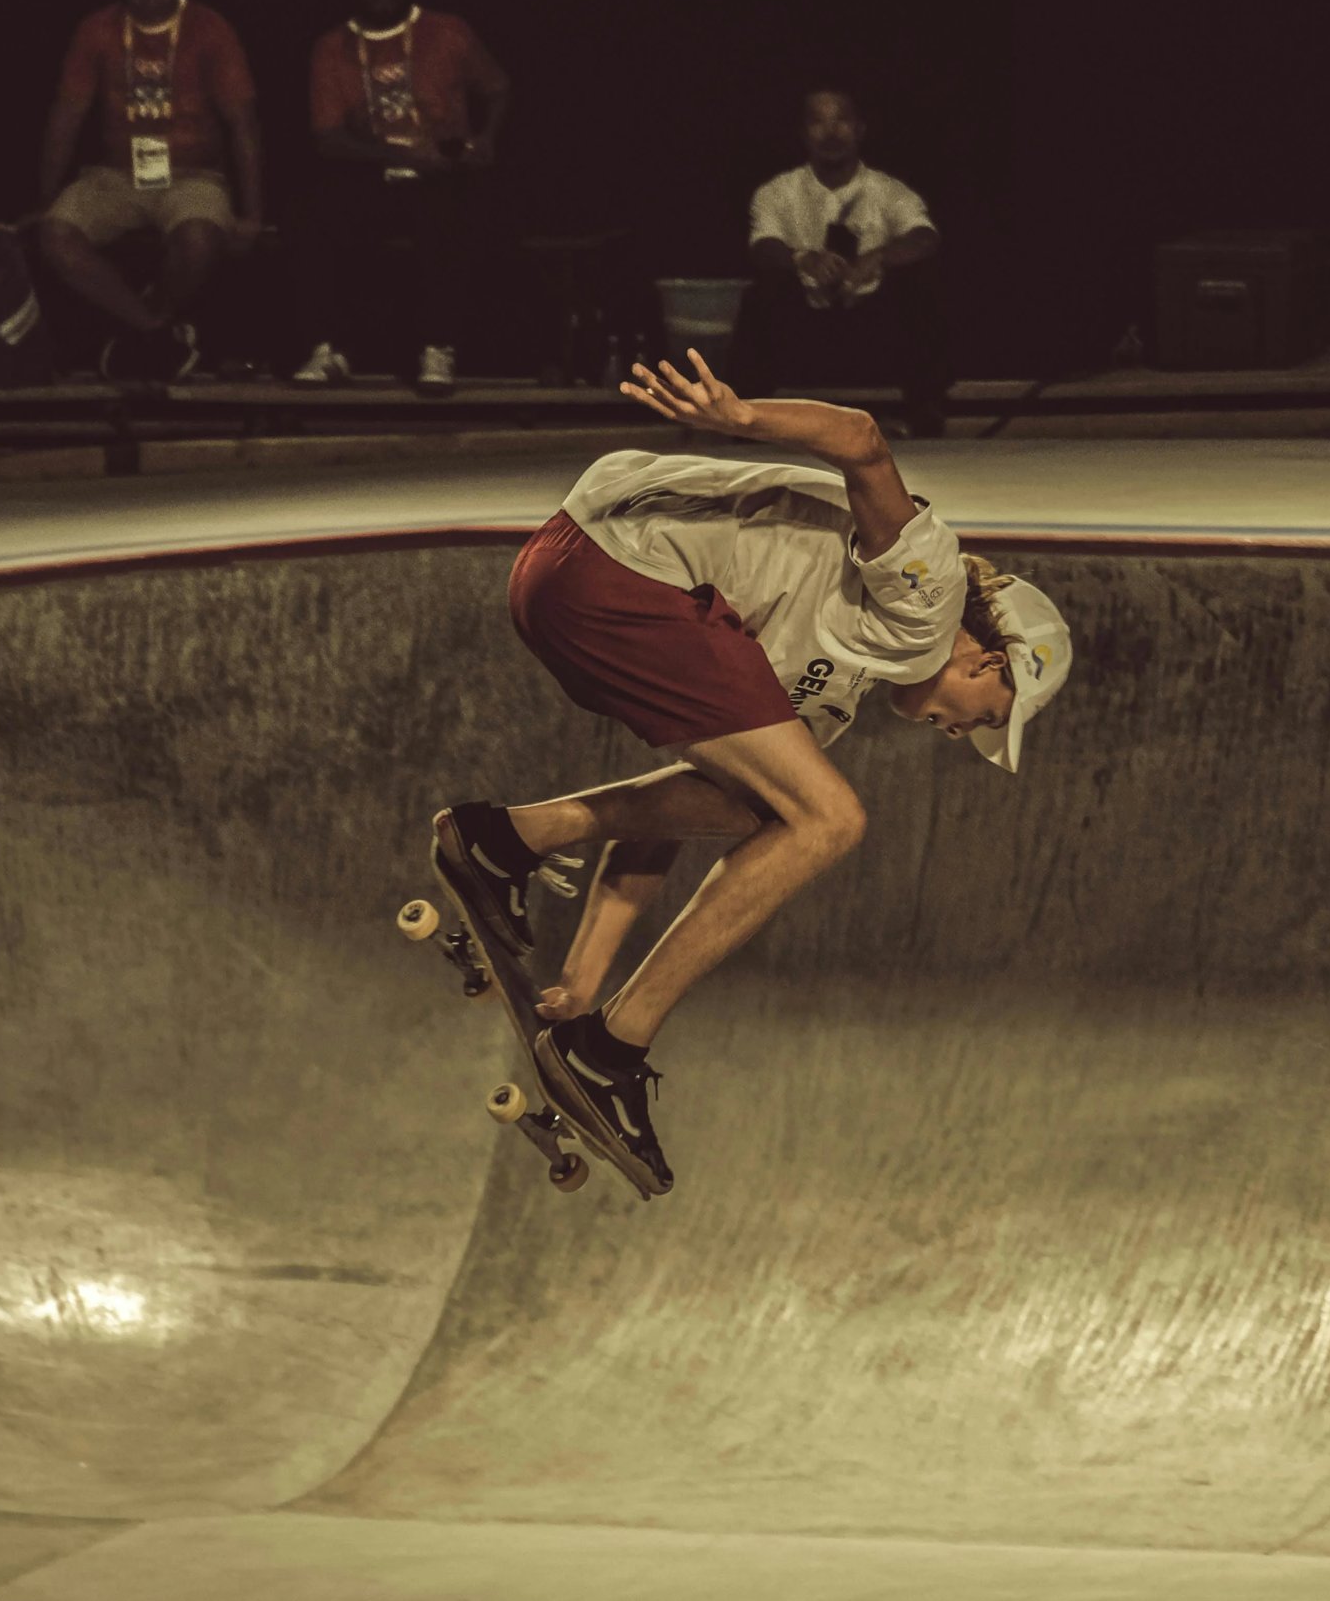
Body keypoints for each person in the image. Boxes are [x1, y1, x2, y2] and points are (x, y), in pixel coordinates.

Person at [431, 351, 1073, 1196]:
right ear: (989, 659)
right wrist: (739, 418)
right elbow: (865, 443)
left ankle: (506, 841)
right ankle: (611, 1054)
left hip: (560, 586)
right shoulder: (927, 599)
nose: (958, 734)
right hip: (617, 567)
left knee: (753, 808)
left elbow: (668, 825)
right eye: (981, 718)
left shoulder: (835, 697)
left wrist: (585, 974)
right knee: (833, 819)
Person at [286, 0, 510, 397]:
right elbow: (327, 138)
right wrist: (402, 155)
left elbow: (497, 86)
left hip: (443, 171)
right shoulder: (332, 47)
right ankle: (328, 349)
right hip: (373, 170)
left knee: (456, 208)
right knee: (312, 210)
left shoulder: (447, 30)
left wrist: (486, 137)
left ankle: (438, 347)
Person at [36, 0, 262, 382]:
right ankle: (153, 328)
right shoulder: (97, 29)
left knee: (199, 241)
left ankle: (137, 324)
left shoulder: (210, 28)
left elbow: (245, 125)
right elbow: (65, 118)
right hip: (117, 174)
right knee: (55, 235)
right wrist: (45, 200)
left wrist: (252, 213)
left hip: (192, 174)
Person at [731, 88, 950, 435]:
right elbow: (761, 245)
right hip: (804, 334)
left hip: (872, 331)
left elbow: (926, 236)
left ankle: (923, 412)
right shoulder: (777, 191)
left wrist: (878, 258)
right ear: (803, 134)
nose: (831, 132)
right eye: (818, 122)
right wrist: (803, 259)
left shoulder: (889, 190)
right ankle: (747, 421)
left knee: (923, 284)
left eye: (842, 120)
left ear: (860, 129)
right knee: (764, 291)